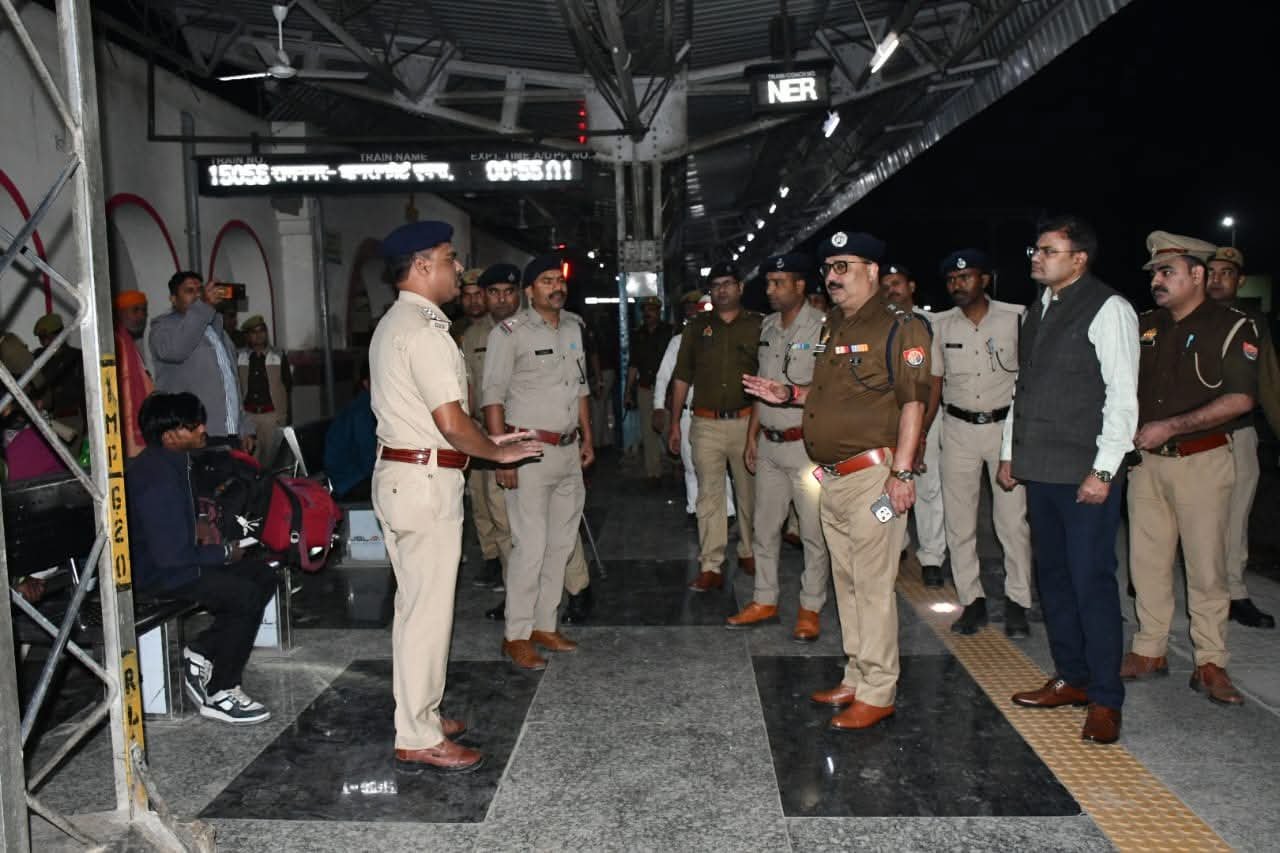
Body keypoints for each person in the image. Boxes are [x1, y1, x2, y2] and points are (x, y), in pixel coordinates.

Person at [369, 221, 542, 773]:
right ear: (423, 266)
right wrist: (495, 453)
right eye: (449, 259)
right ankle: (418, 734)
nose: (459, 269)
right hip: (424, 481)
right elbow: (449, 421)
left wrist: (486, 441)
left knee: (414, 608)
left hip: (405, 474)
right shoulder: (425, 332)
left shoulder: (395, 322)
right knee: (426, 613)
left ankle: (418, 713)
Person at [745, 230, 930, 731]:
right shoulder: (833, 325)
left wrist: (902, 473)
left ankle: (879, 690)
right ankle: (857, 673)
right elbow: (830, 394)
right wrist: (788, 394)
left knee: (873, 587)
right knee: (847, 583)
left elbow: (914, 403)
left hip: (874, 476)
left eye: (844, 266)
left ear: (873, 270)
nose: (833, 276)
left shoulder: (901, 326)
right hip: (832, 477)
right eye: (829, 267)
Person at [1002, 215, 1138, 745]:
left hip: (1085, 475)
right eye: (1035, 250)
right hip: (1042, 471)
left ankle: (1105, 698)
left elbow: (1122, 398)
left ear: (1079, 258)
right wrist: (1010, 453)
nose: (1036, 258)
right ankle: (1072, 677)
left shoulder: (1109, 308)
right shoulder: (1038, 309)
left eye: (1048, 251)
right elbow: (1025, 388)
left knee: (1091, 583)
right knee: (1054, 580)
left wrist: (1104, 471)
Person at [1119, 231, 1259, 707]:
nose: (1156, 281)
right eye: (1154, 273)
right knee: (1147, 563)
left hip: (1202, 460)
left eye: (1167, 272)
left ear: (1197, 275)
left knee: (1206, 566)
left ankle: (1210, 660)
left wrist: (1170, 426)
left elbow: (1240, 398)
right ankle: (1150, 649)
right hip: (1146, 465)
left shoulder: (1231, 326)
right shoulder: (1145, 325)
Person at [126, 392, 277, 724]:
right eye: (193, 425)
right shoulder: (154, 478)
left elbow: (181, 529)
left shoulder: (174, 462)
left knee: (263, 575)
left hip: (178, 563)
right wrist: (224, 553)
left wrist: (203, 525)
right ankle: (221, 691)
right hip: (159, 574)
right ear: (170, 436)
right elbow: (171, 557)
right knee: (244, 595)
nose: (202, 430)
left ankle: (203, 650)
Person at [482, 254, 593, 671]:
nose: (556, 287)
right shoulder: (508, 333)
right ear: (529, 291)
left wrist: (587, 438)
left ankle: (545, 625)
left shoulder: (573, 327)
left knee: (561, 544)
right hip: (527, 451)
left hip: (567, 450)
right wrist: (502, 455)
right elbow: (492, 397)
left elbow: (580, 388)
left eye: (559, 280)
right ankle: (516, 634)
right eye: (546, 281)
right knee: (529, 546)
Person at [930, 250, 1033, 637]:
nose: (957, 285)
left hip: (1004, 430)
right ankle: (971, 600)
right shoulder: (941, 325)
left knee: (1012, 522)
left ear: (984, 280)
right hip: (957, 430)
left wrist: (1024, 437)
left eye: (966, 277)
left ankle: (1018, 601)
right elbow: (935, 383)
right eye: (951, 280)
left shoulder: (1016, 318)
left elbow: (1030, 380)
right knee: (958, 523)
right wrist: (922, 434)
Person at [729, 253, 830, 641]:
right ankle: (764, 599)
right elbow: (761, 387)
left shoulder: (823, 328)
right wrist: (752, 436)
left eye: (778, 283)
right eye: (768, 282)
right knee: (764, 527)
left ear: (799, 285)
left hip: (805, 448)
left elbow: (828, 389)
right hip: (769, 446)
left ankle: (810, 606)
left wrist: (792, 394)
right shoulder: (768, 326)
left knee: (813, 532)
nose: (770, 290)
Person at [670, 262, 761, 591]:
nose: (722, 290)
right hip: (705, 423)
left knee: (749, 493)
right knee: (709, 496)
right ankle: (711, 564)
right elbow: (682, 376)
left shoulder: (759, 325)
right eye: (716, 284)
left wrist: (758, 430)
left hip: (746, 422)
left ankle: (749, 550)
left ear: (740, 287)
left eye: (728, 283)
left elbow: (768, 376)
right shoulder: (697, 327)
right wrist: (674, 423)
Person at [1206, 245, 1280, 629]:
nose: (1217, 279)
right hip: (1189, 437)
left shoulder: (1253, 322)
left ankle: (1234, 592)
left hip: (1238, 433)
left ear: (1241, 280)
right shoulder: (1184, 314)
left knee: (1236, 518)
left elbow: (1268, 378)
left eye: (1227, 273)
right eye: (1212, 272)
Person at [880, 263, 947, 588]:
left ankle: (932, 556)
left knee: (928, 486)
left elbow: (934, 381)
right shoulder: (876, 322)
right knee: (885, 484)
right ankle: (897, 546)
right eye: (885, 285)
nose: (891, 290)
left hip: (924, 416)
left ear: (911, 287)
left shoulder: (928, 322)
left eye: (897, 283)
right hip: (885, 419)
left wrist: (922, 431)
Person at [654, 290, 740, 527]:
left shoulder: (728, 341)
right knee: (690, 465)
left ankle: (728, 512)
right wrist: (658, 406)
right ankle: (694, 508)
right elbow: (663, 377)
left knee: (717, 466)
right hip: (688, 414)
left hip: (717, 415)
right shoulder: (679, 341)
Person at [150, 271, 256, 453]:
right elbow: (175, 351)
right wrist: (204, 306)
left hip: (230, 433)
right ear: (173, 299)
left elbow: (231, 384)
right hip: (194, 435)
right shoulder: (163, 328)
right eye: (189, 291)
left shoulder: (217, 332)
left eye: (200, 290)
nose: (197, 295)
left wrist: (244, 427)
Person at [461, 264, 518, 591]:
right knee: (482, 500)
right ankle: (494, 560)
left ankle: (515, 575)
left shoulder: (525, 326)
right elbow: (467, 386)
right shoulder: (471, 336)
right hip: (481, 430)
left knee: (505, 507)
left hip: (518, 430)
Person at [623, 296, 673, 485]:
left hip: (666, 389)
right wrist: (628, 392)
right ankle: (653, 473)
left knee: (668, 428)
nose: (648, 313)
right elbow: (633, 365)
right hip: (645, 387)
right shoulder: (638, 334)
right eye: (645, 310)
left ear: (659, 311)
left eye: (651, 309)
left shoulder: (669, 332)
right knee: (648, 430)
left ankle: (677, 463)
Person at [237, 315, 292, 466]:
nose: (259, 335)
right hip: (248, 417)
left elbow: (287, 385)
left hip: (271, 416)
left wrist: (283, 416)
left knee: (273, 460)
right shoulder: (239, 356)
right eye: (254, 332)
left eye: (262, 330)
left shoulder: (278, 355)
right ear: (247, 336)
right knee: (250, 462)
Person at [324, 361, 377, 501]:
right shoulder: (362, 410)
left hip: (353, 476)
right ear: (366, 383)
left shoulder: (368, 405)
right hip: (350, 481)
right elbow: (368, 459)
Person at [32, 312, 86, 443]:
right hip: (46, 420)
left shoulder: (76, 357)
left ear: (59, 335)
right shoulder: (38, 357)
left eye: (47, 337)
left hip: (70, 419)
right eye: (41, 338)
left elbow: (85, 393)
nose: (44, 342)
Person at [113, 290, 153, 458]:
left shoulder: (126, 342)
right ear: (119, 313)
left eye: (144, 311)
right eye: (135, 310)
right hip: (127, 427)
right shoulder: (116, 342)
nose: (141, 316)